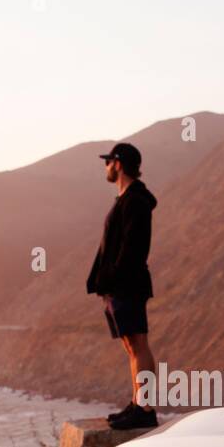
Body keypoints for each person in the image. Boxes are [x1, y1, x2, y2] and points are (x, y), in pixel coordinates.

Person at [87, 142, 159, 430]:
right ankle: (137, 404)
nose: (105, 167)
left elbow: (133, 248)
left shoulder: (135, 201)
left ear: (118, 163)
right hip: (120, 285)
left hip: (127, 284)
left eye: (108, 162)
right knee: (132, 346)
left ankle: (145, 408)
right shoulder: (127, 199)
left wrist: (114, 277)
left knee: (138, 345)